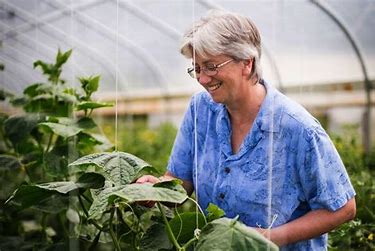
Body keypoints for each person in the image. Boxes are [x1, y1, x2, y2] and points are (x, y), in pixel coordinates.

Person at [137, 10, 356, 250]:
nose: (202, 79)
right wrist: (158, 189)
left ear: (247, 63)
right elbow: (181, 181)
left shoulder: (296, 127)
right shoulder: (200, 110)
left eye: (211, 66)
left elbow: (343, 208)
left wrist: (272, 236)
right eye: (196, 68)